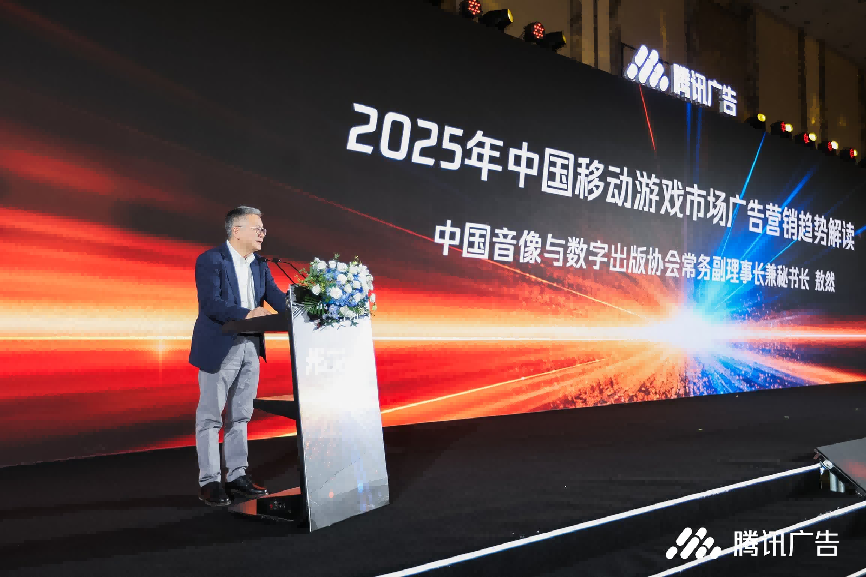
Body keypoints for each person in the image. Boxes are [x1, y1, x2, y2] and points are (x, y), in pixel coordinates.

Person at [189, 206, 288, 506]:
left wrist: (307, 309)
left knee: (241, 415)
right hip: (220, 345)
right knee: (211, 416)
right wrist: (247, 314)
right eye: (257, 228)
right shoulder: (211, 260)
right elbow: (211, 303)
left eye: (263, 229)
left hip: (251, 346)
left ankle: (237, 476)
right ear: (236, 231)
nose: (262, 234)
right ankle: (210, 481)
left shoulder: (260, 265)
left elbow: (277, 298)